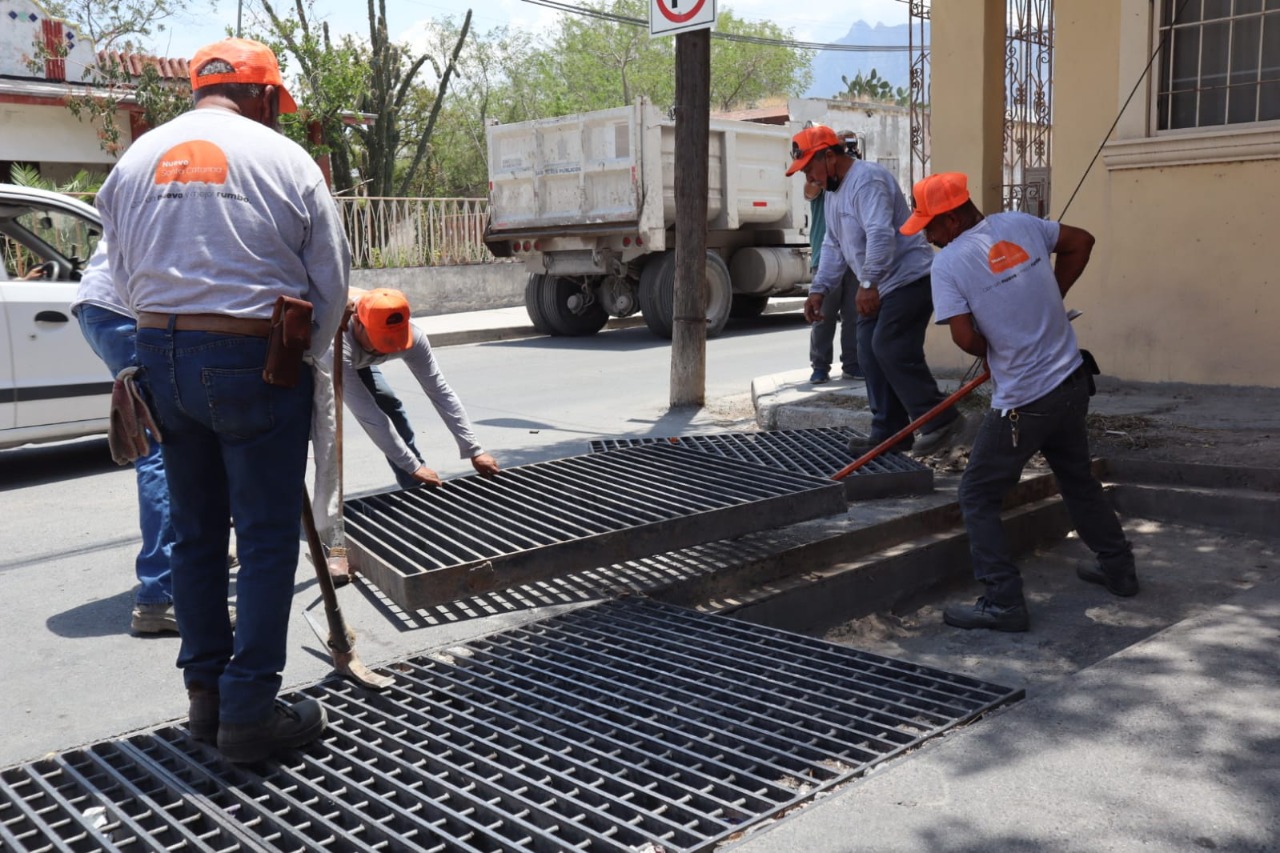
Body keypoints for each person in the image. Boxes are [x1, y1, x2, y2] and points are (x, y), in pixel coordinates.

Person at [95, 38, 350, 762]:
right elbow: (329, 279)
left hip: (161, 355)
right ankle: (249, 711)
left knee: (197, 533)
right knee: (267, 537)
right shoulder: (284, 159)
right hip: (252, 354)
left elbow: (119, 273)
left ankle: (204, 698)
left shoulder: (136, 160)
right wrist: (298, 359)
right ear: (265, 97)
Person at [901, 172, 1138, 632]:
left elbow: (966, 337)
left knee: (977, 494)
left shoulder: (950, 264)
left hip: (1025, 400)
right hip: (1072, 381)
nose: (927, 236)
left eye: (929, 225)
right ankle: (1119, 568)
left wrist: (997, 344)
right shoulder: (1020, 223)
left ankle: (1003, 600)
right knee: (1077, 479)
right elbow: (1082, 241)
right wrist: (1050, 296)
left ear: (951, 220)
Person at [786, 125, 963, 456]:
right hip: (881, 283)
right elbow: (834, 245)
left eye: (810, 168)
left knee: (890, 346)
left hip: (909, 279)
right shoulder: (834, 193)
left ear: (829, 156)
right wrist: (819, 290)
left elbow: (880, 234)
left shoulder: (867, 180)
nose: (809, 178)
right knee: (867, 351)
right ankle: (890, 433)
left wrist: (868, 283)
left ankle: (941, 420)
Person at [70, 241, 179, 634]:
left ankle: (192, 557)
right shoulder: (195, 186)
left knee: (172, 440)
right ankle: (157, 596)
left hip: (103, 305)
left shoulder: (150, 181)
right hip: (122, 309)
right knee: (160, 452)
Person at [341, 288, 500, 488]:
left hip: (358, 361)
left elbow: (440, 392)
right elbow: (369, 416)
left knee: (390, 406)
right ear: (357, 321)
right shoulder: (339, 342)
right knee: (314, 427)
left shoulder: (414, 335)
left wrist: (474, 449)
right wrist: (412, 466)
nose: (386, 348)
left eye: (393, 339)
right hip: (309, 359)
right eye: (380, 340)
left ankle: (414, 485)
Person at [803, 167, 861, 385]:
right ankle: (819, 366)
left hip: (853, 259)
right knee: (823, 315)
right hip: (825, 260)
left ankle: (852, 364)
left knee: (853, 315)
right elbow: (809, 191)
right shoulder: (820, 182)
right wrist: (823, 173)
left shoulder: (855, 183)